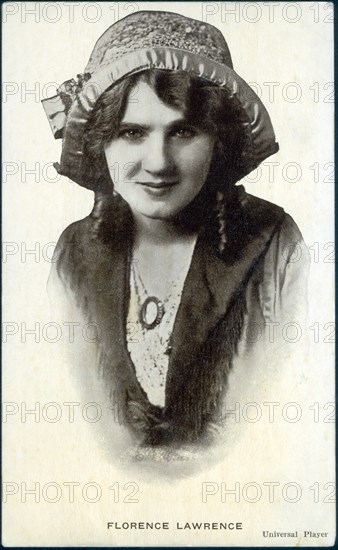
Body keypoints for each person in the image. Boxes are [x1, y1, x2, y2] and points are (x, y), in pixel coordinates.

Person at [43, 10, 310, 462]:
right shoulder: (73, 253)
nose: (159, 162)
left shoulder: (276, 245)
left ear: (219, 140)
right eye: (132, 133)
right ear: (101, 143)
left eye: (183, 131)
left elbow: (295, 419)